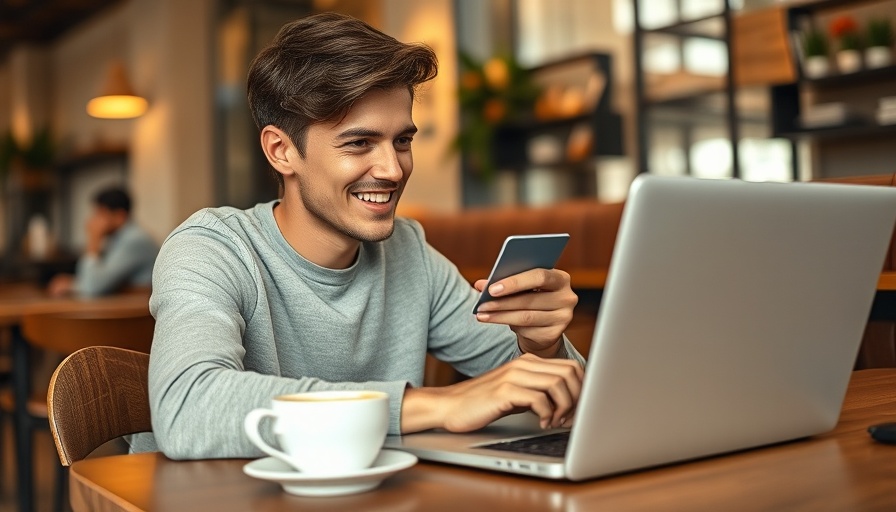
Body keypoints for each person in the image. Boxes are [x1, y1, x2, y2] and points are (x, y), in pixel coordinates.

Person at [133, 12, 585, 459]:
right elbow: (189, 409)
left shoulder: (409, 251)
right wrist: (433, 404)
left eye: (402, 141)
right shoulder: (211, 248)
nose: (392, 170)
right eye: (358, 143)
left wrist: (542, 346)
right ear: (281, 151)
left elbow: (550, 398)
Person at [47, 187, 158, 298]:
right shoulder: (121, 238)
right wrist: (74, 284)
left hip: (138, 309)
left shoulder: (134, 241)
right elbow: (100, 279)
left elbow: (93, 287)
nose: (93, 220)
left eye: (100, 214)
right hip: (129, 303)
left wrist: (93, 240)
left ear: (120, 216)